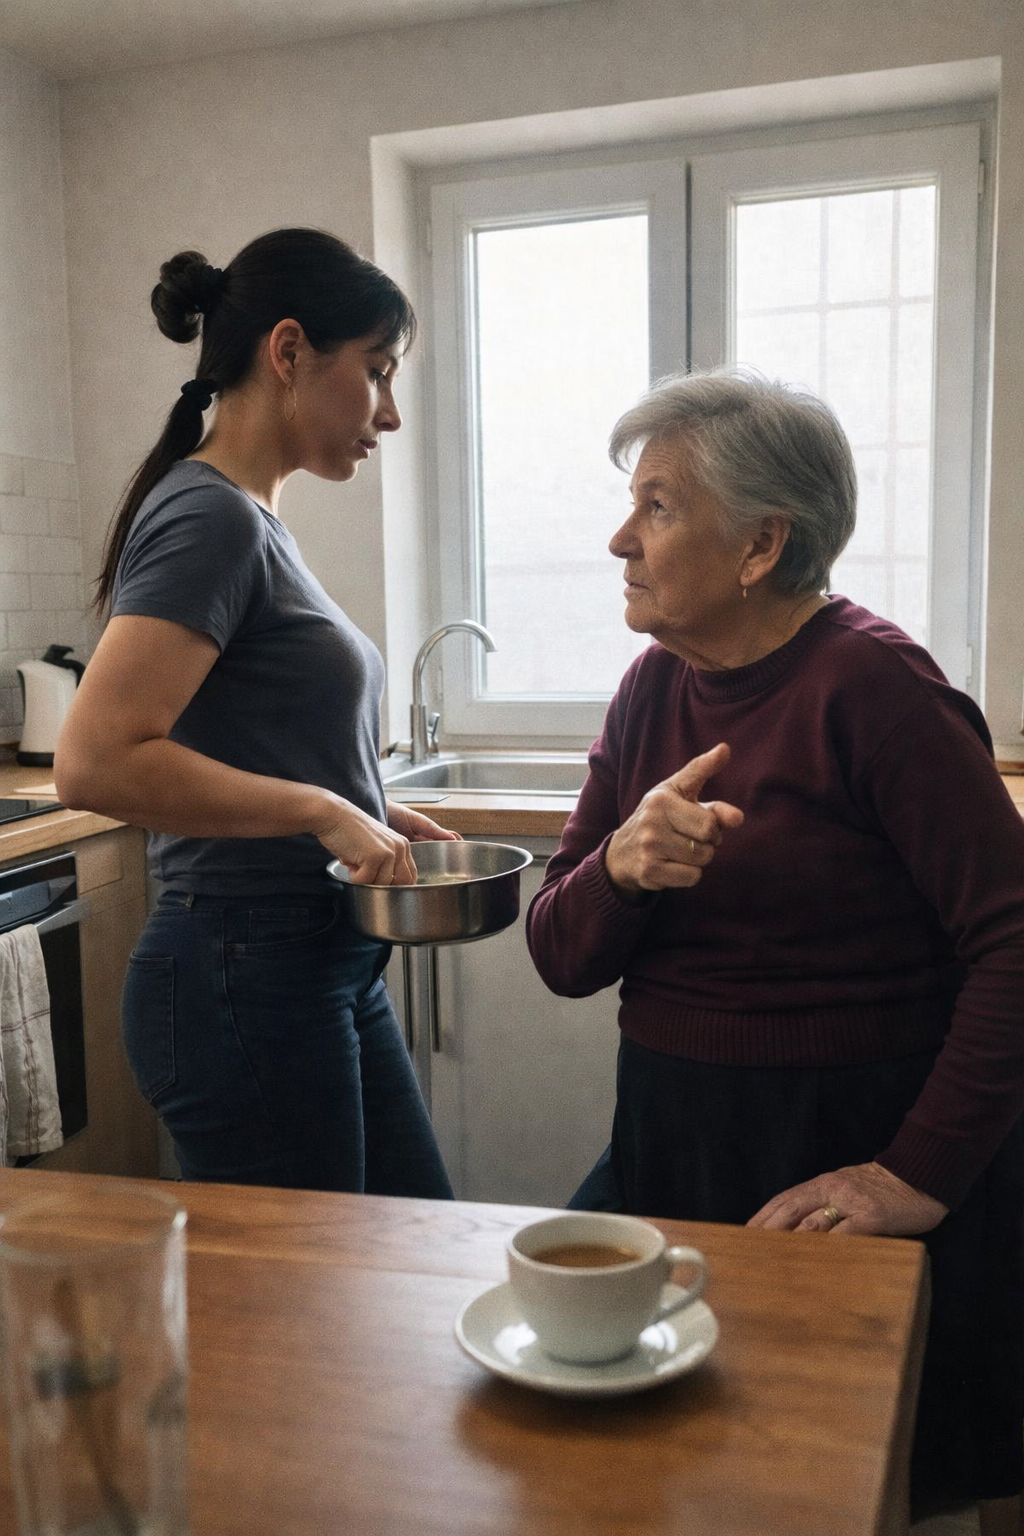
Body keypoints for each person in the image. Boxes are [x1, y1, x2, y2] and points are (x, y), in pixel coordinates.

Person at [525, 368, 1024, 1528]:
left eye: (655, 506)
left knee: (841, 1484)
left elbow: (1013, 943)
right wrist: (620, 870)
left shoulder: (877, 689)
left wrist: (912, 1176)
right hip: (674, 1142)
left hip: (844, 1153)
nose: (618, 539)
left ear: (759, 547)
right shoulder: (650, 689)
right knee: (668, 1468)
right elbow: (558, 949)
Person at [55, 228, 454, 1199]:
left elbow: (241, 739)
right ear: (288, 353)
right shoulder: (212, 518)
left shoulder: (250, 519)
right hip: (242, 968)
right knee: (308, 1318)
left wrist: (366, 803)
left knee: (405, 1253)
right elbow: (97, 763)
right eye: (377, 371)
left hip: (309, 959)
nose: (389, 414)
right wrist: (322, 811)